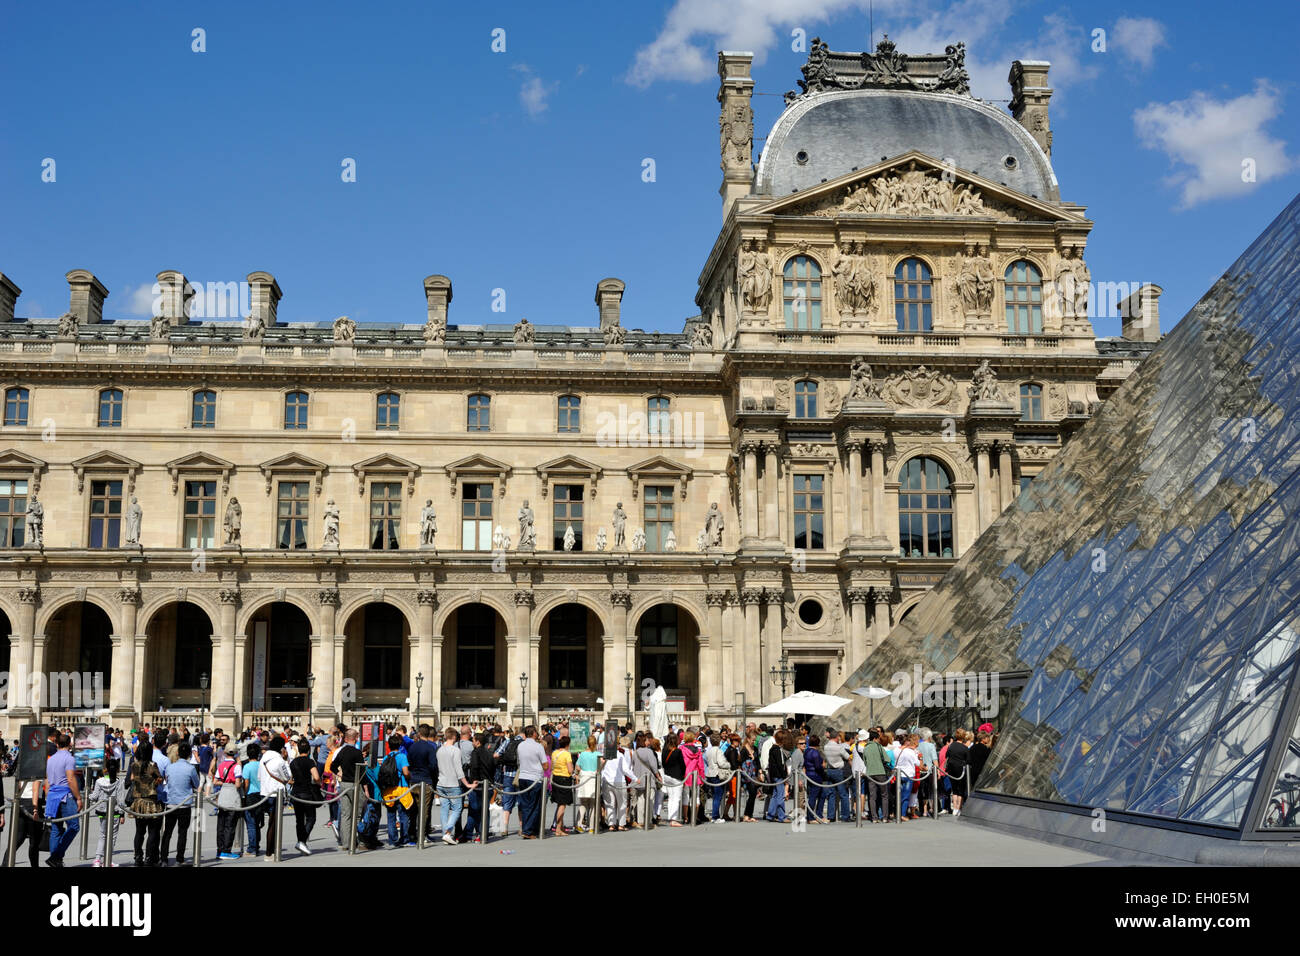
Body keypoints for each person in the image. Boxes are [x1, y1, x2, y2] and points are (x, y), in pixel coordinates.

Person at [44, 733, 82, 867]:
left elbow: (47, 780)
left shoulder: (50, 759)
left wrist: (48, 795)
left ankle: (56, 860)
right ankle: (56, 856)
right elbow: (71, 779)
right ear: (70, 744)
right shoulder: (69, 758)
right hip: (65, 795)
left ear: (56, 744)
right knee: (74, 826)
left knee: (56, 829)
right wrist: (78, 798)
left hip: (52, 795)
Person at [161, 740, 200, 864]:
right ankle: (180, 859)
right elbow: (197, 784)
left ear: (177, 753)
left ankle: (164, 859)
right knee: (182, 833)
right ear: (189, 754)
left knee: (167, 833)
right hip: (184, 804)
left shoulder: (170, 767)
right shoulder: (191, 769)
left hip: (171, 803)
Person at [130, 741, 165, 867]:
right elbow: (160, 779)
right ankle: (149, 858)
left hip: (138, 801)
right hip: (151, 801)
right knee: (153, 831)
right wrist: (154, 783)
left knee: (139, 831)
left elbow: (132, 779)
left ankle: (138, 857)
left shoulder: (134, 765)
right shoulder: (152, 765)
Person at [329, 729, 366, 845]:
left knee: (345, 814)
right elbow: (362, 772)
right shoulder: (357, 752)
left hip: (344, 783)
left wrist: (339, 773)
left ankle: (345, 842)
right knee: (357, 814)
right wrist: (365, 788)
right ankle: (354, 840)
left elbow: (332, 766)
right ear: (355, 738)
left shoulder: (342, 751)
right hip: (355, 783)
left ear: (345, 739)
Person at [90, 756, 127, 867]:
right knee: (113, 837)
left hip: (102, 812)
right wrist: (122, 814)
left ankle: (97, 859)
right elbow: (121, 800)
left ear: (105, 768)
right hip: (115, 812)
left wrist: (89, 795)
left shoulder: (99, 781)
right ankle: (108, 858)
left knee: (102, 835)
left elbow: (94, 797)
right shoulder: (119, 782)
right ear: (117, 769)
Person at [435, 727, 471, 845]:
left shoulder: (439, 750)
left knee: (444, 809)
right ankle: (447, 832)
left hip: (441, 783)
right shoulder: (455, 751)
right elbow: (458, 770)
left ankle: (446, 834)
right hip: (453, 784)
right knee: (457, 808)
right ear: (454, 737)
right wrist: (467, 783)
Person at [289, 737, 322, 855]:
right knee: (311, 818)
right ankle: (302, 841)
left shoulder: (293, 762)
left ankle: (301, 842)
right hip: (307, 793)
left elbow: (290, 779)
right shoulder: (310, 762)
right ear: (308, 750)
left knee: (299, 820)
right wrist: (319, 784)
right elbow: (317, 777)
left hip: (296, 793)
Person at [405, 724, 438, 840]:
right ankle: (423, 834)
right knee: (425, 810)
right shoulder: (430, 748)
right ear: (428, 734)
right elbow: (434, 766)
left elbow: (408, 762)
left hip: (414, 780)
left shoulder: (412, 747)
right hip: (426, 780)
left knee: (414, 810)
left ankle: (412, 832)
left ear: (419, 734)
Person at [514, 725, 547, 838]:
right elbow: (545, 764)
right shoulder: (538, 746)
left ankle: (526, 828)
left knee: (525, 804)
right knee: (534, 805)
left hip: (523, 776)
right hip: (535, 778)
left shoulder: (520, 746)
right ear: (533, 734)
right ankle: (528, 831)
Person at [213, 743, 243, 859]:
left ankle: (219, 849)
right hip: (232, 795)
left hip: (223, 794)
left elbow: (216, 781)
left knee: (221, 824)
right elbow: (237, 784)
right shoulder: (237, 766)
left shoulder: (221, 765)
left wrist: (224, 783)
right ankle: (226, 850)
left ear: (225, 752)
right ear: (235, 753)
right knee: (230, 825)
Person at [465, 732, 495, 842]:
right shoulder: (489, 752)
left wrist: (473, 781)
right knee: (485, 811)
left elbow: (474, 767)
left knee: (474, 810)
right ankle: (484, 834)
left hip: (478, 785)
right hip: (488, 784)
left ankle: (470, 833)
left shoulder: (475, 752)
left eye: (473, 740)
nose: (472, 742)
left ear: (477, 742)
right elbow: (493, 767)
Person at [821, 729, 853, 822]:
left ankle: (831, 816)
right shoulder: (839, 747)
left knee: (831, 794)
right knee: (843, 794)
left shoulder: (826, 746)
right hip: (839, 771)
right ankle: (845, 816)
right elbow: (848, 757)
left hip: (830, 770)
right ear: (836, 737)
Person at [764, 729, 791, 823]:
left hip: (773, 775)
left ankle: (770, 815)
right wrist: (785, 776)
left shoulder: (772, 749)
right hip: (779, 775)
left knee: (775, 795)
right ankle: (781, 816)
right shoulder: (778, 750)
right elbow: (780, 765)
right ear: (782, 741)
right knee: (780, 796)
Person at [574, 734, 599, 832]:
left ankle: (579, 824)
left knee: (583, 803)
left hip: (584, 778)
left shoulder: (583, 754)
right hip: (593, 779)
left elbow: (577, 766)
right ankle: (592, 827)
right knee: (593, 804)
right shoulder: (597, 754)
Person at [549, 735, 574, 834]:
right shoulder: (567, 754)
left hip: (556, 778)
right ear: (568, 744)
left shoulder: (554, 753)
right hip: (564, 779)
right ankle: (558, 828)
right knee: (562, 805)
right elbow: (570, 769)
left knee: (559, 803)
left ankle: (561, 826)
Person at [946, 730, 971, 817]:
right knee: (960, 790)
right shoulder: (964, 748)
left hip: (951, 769)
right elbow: (968, 760)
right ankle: (959, 808)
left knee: (954, 789)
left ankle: (954, 808)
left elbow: (947, 755)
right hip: (960, 769)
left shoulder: (951, 746)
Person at [803, 734, 826, 822]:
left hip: (809, 774)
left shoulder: (807, 751)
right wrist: (823, 765)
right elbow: (817, 766)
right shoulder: (815, 752)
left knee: (821, 795)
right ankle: (811, 817)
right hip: (816, 776)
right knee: (814, 796)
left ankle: (818, 814)